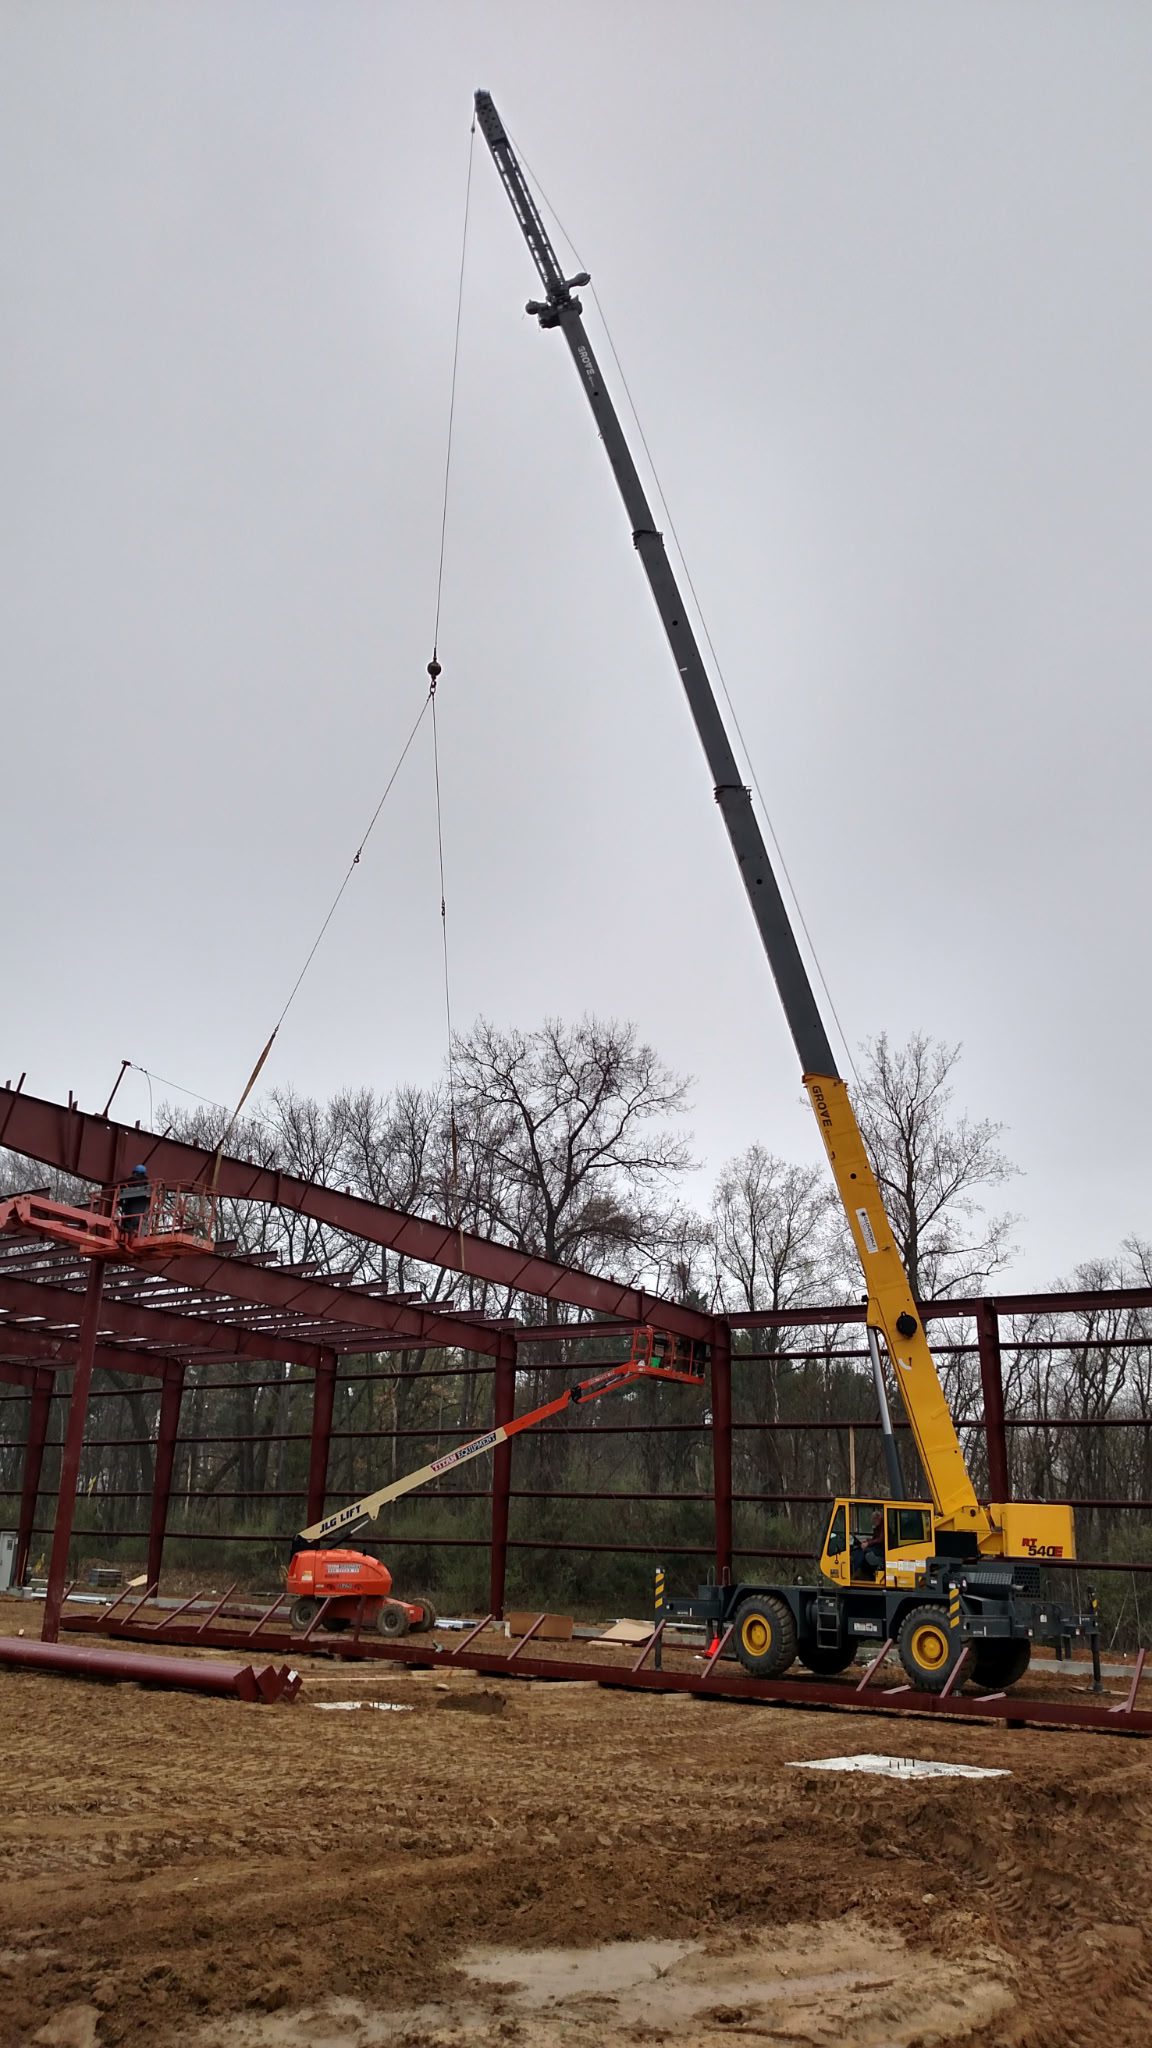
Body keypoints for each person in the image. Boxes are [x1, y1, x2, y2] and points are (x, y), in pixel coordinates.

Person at [118, 1164, 151, 1238]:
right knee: (138, 1222)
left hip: (130, 1211)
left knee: (129, 1221)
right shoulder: (146, 1184)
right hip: (140, 1215)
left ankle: (127, 1231)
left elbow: (118, 1185)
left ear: (135, 1172)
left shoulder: (131, 1181)